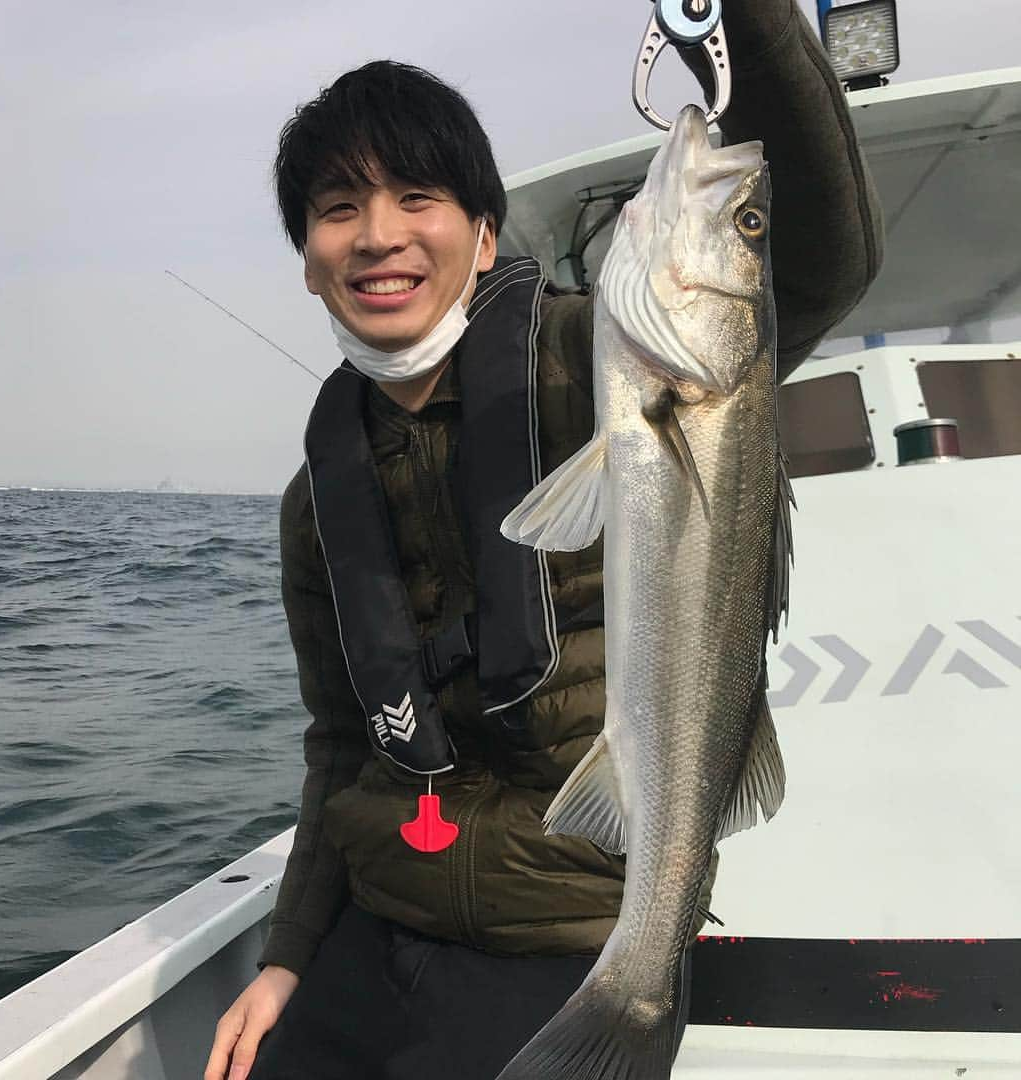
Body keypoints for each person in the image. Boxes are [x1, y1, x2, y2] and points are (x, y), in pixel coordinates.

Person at [205, 2, 883, 1077]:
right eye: (339, 209)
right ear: (307, 258)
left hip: (571, 927)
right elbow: (341, 743)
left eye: (416, 198)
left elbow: (821, 267)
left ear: (484, 237)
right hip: (381, 923)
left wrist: (740, 20)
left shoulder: (596, 361)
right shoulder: (315, 496)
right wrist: (287, 955)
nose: (377, 234)